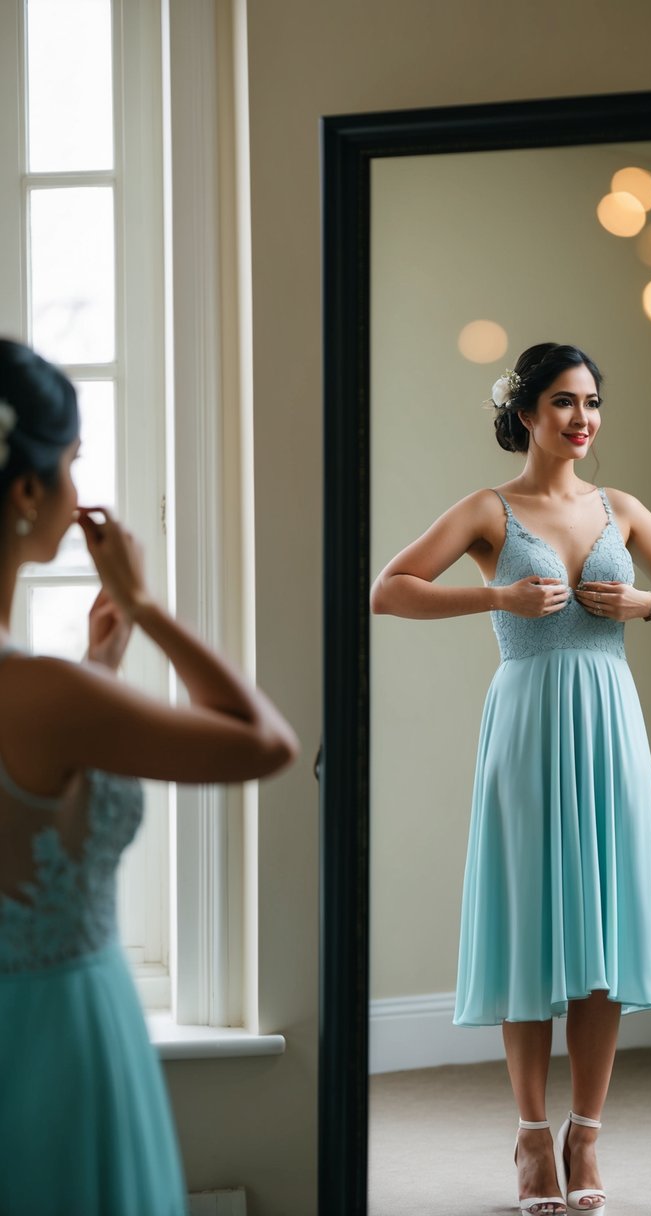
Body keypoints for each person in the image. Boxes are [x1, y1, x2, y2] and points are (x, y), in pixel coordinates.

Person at [370, 341, 651, 1215]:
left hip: (609, 724)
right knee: (530, 931)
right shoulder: (488, 510)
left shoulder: (622, 509)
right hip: (526, 725)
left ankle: (586, 1132)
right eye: (562, 401)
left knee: (599, 931)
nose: (581, 419)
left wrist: (645, 605)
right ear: (524, 412)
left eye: (592, 402)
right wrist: (496, 598)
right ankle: (531, 1142)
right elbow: (390, 588)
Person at [0, 338, 299, 1216]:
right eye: (70, 465)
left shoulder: (52, 694)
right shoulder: (39, 693)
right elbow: (263, 740)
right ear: (26, 490)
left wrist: (97, 665)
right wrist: (144, 607)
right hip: (57, 1041)